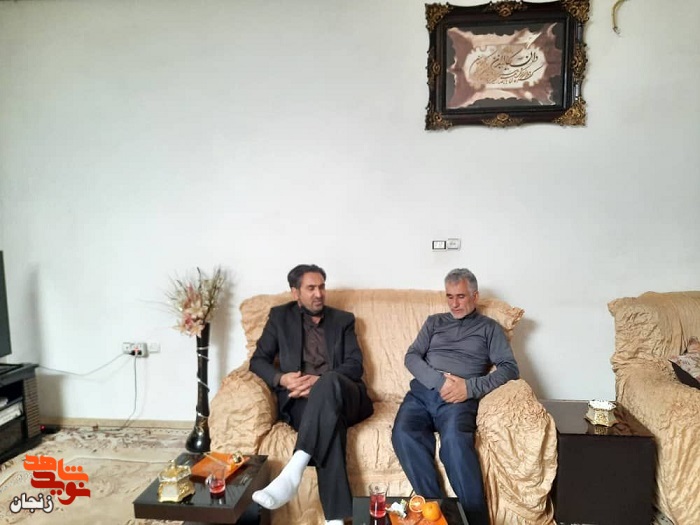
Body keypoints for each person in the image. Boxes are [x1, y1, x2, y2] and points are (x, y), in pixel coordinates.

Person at [391, 268, 519, 525]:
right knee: (403, 434)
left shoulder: (488, 328)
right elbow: (412, 356)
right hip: (422, 394)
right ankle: (437, 512)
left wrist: (469, 388)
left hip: (459, 400)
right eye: (449, 296)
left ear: (475, 296)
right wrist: (439, 382)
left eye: (460, 296)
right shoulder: (434, 322)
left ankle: (476, 521)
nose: (454, 303)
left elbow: (509, 369)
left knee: (455, 443)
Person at [249, 264, 373, 525]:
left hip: (346, 394)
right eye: (311, 288)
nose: (319, 294)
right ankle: (335, 520)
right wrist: (282, 378)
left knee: (329, 381)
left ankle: (293, 470)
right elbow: (258, 360)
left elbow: (354, 365)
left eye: (322, 287)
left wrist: (320, 381)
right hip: (303, 401)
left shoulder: (343, 320)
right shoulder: (280, 318)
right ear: (295, 292)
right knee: (330, 425)